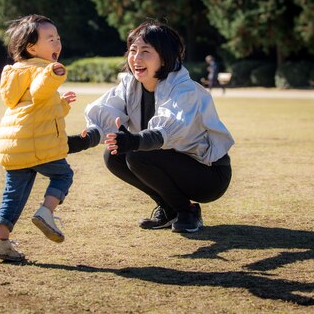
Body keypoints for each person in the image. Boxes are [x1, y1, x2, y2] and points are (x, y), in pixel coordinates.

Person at [82, 20, 234, 233]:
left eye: (146, 51)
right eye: (133, 50)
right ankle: (169, 209)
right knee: (113, 155)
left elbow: (170, 127)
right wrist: (80, 141)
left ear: (164, 58)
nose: (136, 58)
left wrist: (134, 141)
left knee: (137, 153)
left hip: (208, 173)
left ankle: (187, 211)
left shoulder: (183, 88)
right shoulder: (130, 85)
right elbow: (105, 111)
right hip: (168, 159)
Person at [0, 14, 97, 262]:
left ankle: (1, 241)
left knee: (13, 194)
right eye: (50, 39)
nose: (57, 43)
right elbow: (40, 90)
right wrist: (53, 75)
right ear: (31, 47)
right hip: (37, 143)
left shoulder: (15, 72)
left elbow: (36, 104)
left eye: (58, 38)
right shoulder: (42, 70)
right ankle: (46, 212)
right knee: (63, 175)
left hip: (15, 145)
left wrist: (61, 103)